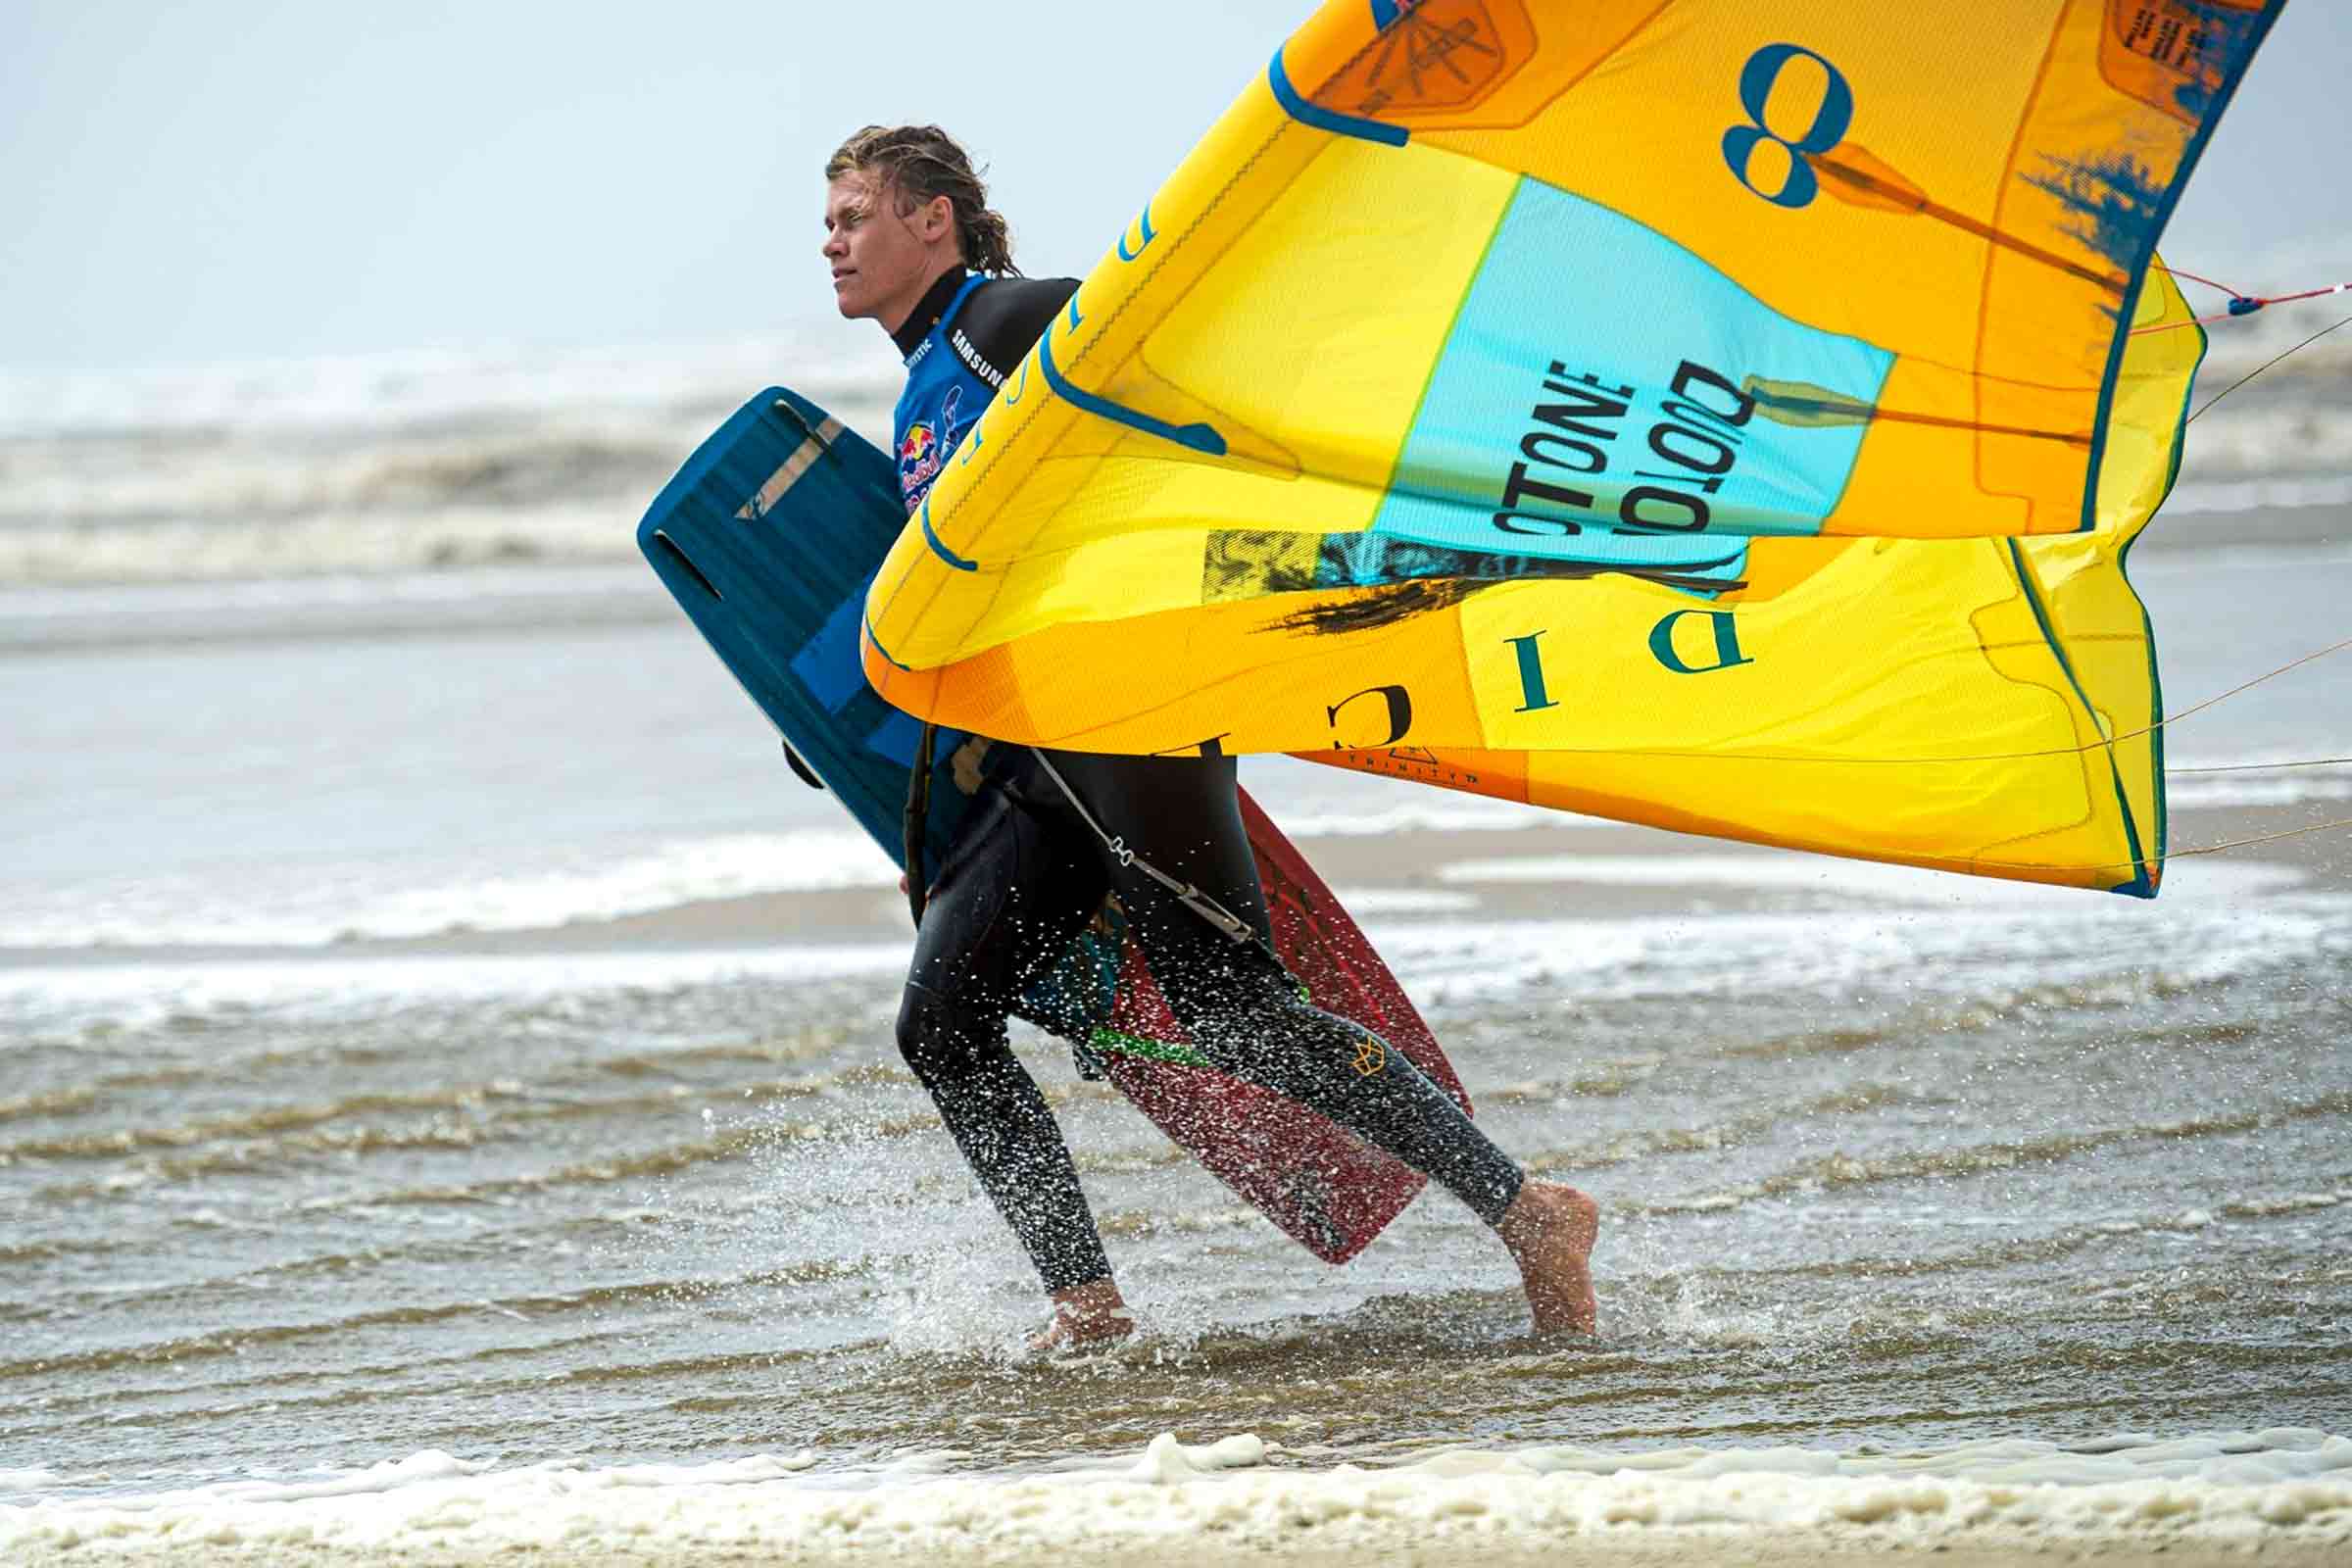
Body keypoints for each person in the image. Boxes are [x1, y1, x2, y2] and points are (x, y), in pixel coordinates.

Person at [821, 124, 1599, 1348]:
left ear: (937, 220)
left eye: (856, 214)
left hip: (1133, 722)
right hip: (1044, 767)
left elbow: (1148, 349)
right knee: (944, 1024)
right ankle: (1089, 1312)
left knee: (1236, 1010)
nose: (833, 242)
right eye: (828, 222)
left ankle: (1529, 1210)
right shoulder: (925, 385)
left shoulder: (1004, 324)